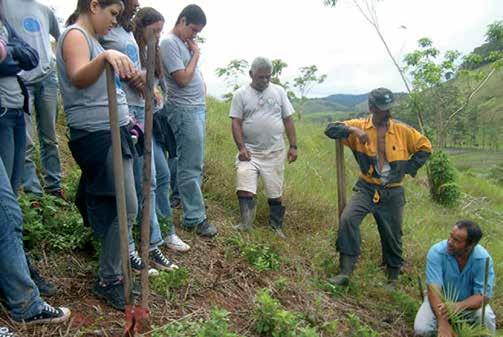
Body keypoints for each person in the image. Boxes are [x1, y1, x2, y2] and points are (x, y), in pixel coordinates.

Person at [57, 0, 137, 310]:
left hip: (113, 128)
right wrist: (105, 56)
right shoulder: (76, 35)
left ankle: (89, 202)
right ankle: (108, 278)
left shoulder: (93, 39)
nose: (115, 21)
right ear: (93, 5)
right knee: (127, 206)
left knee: (118, 202)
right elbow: (78, 76)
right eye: (113, 13)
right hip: (97, 132)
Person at [0, 14, 70, 328]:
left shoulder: (3, 21)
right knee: (7, 212)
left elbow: (28, 56)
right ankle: (24, 302)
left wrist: (9, 53)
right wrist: (11, 54)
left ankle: (14, 281)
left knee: (9, 204)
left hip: (14, 111)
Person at [101, 1, 180, 275]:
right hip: (125, 112)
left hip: (143, 112)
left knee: (152, 179)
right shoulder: (109, 33)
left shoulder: (124, 34)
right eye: (155, 31)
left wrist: (148, 85)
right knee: (135, 185)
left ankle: (152, 242)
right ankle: (133, 248)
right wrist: (137, 78)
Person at [324, 87, 432, 287]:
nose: (387, 112)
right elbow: (330, 129)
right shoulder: (359, 126)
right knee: (348, 219)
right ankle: (346, 270)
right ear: (371, 107)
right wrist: (353, 131)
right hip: (366, 187)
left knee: (392, 234)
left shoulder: (403, 130)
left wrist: (409, 167)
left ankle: (392, 278)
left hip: (393, 191)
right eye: (382, 108)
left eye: (389, 108)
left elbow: (425, 147)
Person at [132, 6, 191, 252]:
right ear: (141, 27)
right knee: (149, 180)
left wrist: (158, 96)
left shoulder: (152, 51)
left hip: (154, 121)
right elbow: (134, 82)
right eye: (154, 30)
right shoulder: (132, 48)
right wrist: (147, 89)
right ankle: (152, 236)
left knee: (163, 175)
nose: (157, 34)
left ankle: (166, 231)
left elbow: (160, 87)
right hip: (136, 121)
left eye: (160, 30)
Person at [159, 4, 218, 237]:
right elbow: (182, 79)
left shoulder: (182, 42)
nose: (195, 36)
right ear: (182, 21)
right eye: (193, 29)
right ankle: (194, 217)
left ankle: (179, 198)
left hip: (194, 109)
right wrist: (196, 54)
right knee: (191, 164)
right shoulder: (169, 43)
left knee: (181, 159)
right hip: (184, 109)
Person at [2, 0, 64, 200]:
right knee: (27, 141)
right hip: (21, 80)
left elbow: (60, 37)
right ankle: (33, 193)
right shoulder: (5, 4)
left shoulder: (44, 10)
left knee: (50, 136)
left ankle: (54, 186)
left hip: (47, 78)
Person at [229, 57, 298, 238]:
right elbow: (236, 122)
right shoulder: (240, 94)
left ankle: (276, 227)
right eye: (261, 77)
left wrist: (293, 146)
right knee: (244, 183)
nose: (265, 81)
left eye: (268, 77)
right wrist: (241, 147)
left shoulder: (279, 92)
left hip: (274, 152)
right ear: (251, 74)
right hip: (250, 151)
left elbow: (288, 120)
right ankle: (246, 224)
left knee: (275, 192)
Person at [414, 220, 496, 336]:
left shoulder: (483, 259)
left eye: (456, 240)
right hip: (438, 303)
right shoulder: (437, 252)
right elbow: (434, 290)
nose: (450, 242)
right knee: (422, 330)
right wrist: (443, 322)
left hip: (468, 305)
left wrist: (458, 306)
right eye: (450, 236)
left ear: (470, 245)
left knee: (486, 318)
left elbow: (483, 296)